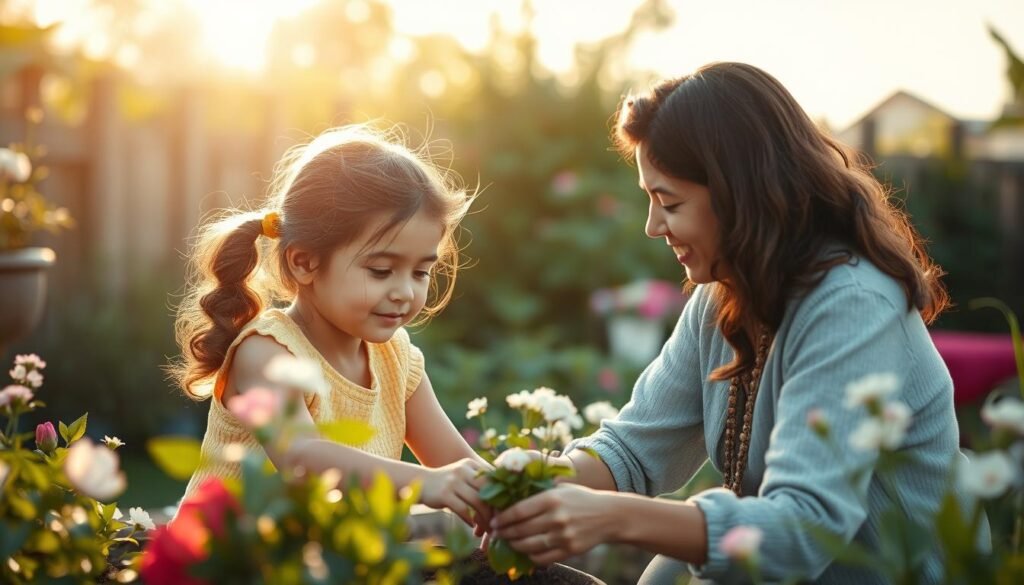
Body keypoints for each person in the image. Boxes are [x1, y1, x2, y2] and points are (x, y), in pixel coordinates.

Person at [490, 62, 988, 584]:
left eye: (669, 202)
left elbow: (803, 529)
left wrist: (613, 519)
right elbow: (633, 451)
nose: (652, 226)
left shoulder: (852, 304)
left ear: (738, 194)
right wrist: (524, 485)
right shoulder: (721, 298)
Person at [169, 124, 492, 535]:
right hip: (220, 567)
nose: (405, 292)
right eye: (381, 271)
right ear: (304, 262)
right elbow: (302, 459)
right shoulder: (267, 355)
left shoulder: (397, 359)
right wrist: (428, 484)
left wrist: (506, 493)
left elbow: (453, 460)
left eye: (421, 271)